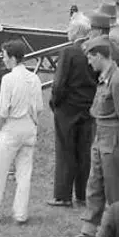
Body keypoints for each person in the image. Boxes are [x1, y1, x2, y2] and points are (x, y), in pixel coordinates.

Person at [65, 41, 119, 237]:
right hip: (101, 134)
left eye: (90, 57)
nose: (88, 61)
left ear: (100, 56)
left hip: (113, 136)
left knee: (115, 188)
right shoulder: (105, 77)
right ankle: (88, 233)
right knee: (94, 184)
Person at [0, 40, 42, 223]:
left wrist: (0, 128)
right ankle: (21, 213)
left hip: (12, 127)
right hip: (29, 127)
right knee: (24, 173)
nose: (3, 60)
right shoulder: (34, 78)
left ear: (12, 58)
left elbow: (2, 110)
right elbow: (39, 108)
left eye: (4, 56)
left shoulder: (8, 79)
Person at [48, 20, 98, 208]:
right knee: (83, 151)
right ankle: (82, 194)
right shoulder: (93, 50)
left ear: (75, 32)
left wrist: (55, 103)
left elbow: (59, 83)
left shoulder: (68, 52)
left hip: (67, 108)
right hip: (88, 106)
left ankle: (63, 195)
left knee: (65, 151)